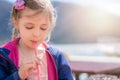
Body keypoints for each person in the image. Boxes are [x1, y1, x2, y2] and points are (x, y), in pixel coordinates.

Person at [0, 0, 73, 80]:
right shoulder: (3, 56)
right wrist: (19, 75)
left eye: (43, 28)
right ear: (16, 23)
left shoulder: (56, 56)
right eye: (29, 27)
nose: (36, 34)